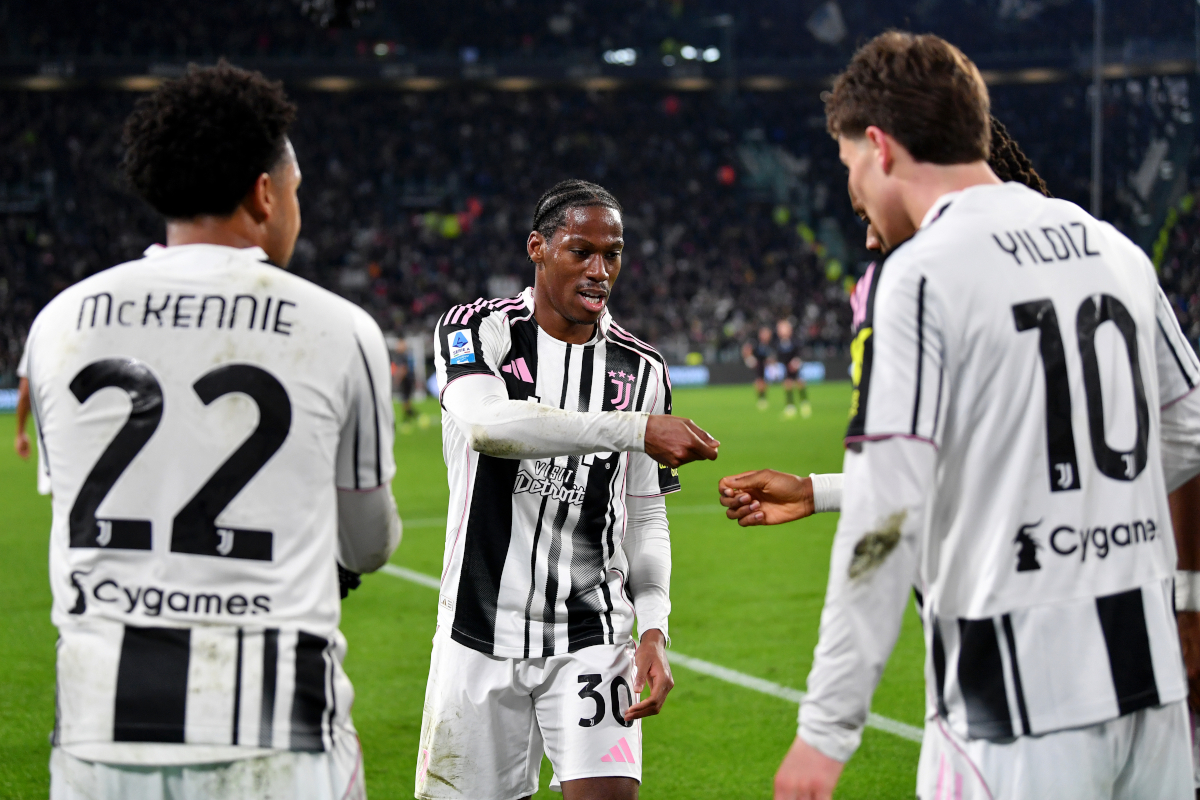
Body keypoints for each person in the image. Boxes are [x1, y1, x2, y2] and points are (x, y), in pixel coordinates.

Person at [720, 32, 1200, 799]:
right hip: (1153, 695)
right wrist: (1178, 593)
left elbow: (887, 520)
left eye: (848, 166)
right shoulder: (1113, 251)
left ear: (878, 146)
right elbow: (1187, 440)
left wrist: (824, 734)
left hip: (1011, 706)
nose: (852, 191)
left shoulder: (917, 277)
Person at [24, 63, 400, 800]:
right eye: (295, 193)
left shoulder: (60, 321)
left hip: (100, 734)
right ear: (265, 194)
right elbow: (369, 544)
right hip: (278, 733)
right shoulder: (340, 327)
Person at [416, 179, 720, 800]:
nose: (600, 270)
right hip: (478, 629)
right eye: (581, 251)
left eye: (612, 254)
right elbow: (485, 426)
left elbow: (645, 513)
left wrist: (655, 626)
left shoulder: (642, 369)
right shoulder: (478, 331)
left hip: (592, 631)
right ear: (538, 248)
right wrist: (634, 429)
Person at [774, 319, 811, 419]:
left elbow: (800, 353)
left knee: (800, 383)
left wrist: (796, 362)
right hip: (786, 367)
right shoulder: (778, 342)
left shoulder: (795, 340)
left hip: (796, 365)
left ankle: (804, 404)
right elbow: (779, 357)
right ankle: (790, 407)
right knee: (788, 385)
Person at [743, 325, 775, 410]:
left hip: (767, 365)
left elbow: (772, 355)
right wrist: (749, 358)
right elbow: (746, 350)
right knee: (759, 382)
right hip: (759, 364)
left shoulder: (772, 343)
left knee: (764, 382)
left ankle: (763, 398)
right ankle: (761, 399)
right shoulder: (756, 342)